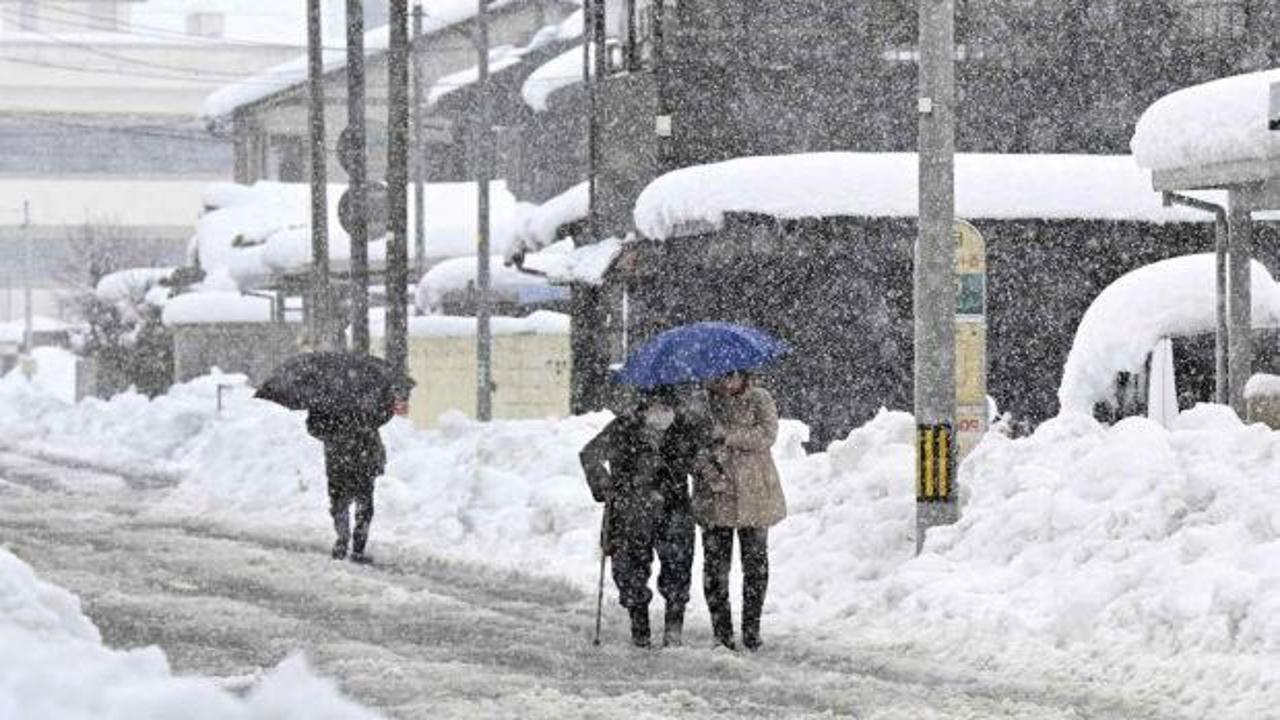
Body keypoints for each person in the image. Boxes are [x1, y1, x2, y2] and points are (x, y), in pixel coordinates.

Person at [579, 389, 704, 648]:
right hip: (631, 512)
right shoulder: (623, 427)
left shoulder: (682, 429)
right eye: (656, 405)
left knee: (678, 570)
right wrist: (603, 484)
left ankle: (673, 632)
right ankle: (640, 630)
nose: (662, 412)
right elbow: (590, 454)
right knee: (630, 572)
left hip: (674, 509)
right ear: (645, 405)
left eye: (667, 406)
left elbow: (701, 462)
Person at [695, 371, 786, 651]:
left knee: (755, 566)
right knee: (715, 568)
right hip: (716, 492)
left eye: (732, 375)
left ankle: (751, 630)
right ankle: (721, 633)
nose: (726, 382)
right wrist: (708, 467)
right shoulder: (703, 403)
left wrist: (729, 437)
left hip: (753, 492)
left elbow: (767, 434)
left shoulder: (760, 398)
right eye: (721, 376)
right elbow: (692, 444)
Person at [306, 386, 394, 564]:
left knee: (341, 501)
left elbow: (313, 427)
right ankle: (356, 547)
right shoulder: (369, 389)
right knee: (363, 503)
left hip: (340, 456)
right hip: (363, 454)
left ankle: (343, 541)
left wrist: (332, 431)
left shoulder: (323, 393)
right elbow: (382, 416)